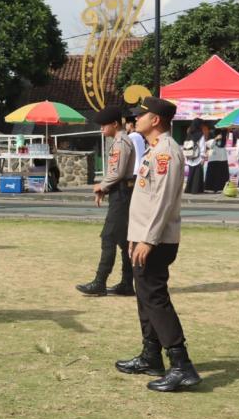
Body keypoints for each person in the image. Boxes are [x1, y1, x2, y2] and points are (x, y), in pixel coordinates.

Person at [115, 97, 200, 391]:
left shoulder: (166, 153)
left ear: (156, 120)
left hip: (157, 240)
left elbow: (161, 202)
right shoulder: (155, 151)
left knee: (155, 297)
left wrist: (147, 239)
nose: (135, 118)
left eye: (142, 114)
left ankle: (181, 365)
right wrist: (136, 237)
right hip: (144, 237)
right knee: (145, 296)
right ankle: (151, 355)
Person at [76, 107, 136, 297]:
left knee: (109, 237)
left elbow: (116, 173)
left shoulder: (121, 142)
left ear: (114, 124)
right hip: (121, 192)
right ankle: (127, 283)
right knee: (124, 240)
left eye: (104, 125)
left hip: (122, 193)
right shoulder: (120, 141)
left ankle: (100, 282)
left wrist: (101, 186)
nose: (102, 129)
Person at [183, 119, 207, 194]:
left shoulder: (189, 133)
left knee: (191, 173)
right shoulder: (200, 134)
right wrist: (203, 156)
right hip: (198, 157)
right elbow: (202, 146)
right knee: (197, 174)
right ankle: (196, 190)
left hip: (189, 156)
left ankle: (188, 189)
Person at [204, 128, 229, 192]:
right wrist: (215, 139)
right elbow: (209, 146)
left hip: (222, 158)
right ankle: (210, 188)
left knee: (221, 174)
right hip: (213, 158)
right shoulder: (211, 138)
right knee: (214, 174)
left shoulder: (223, 138)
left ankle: (221, 188)